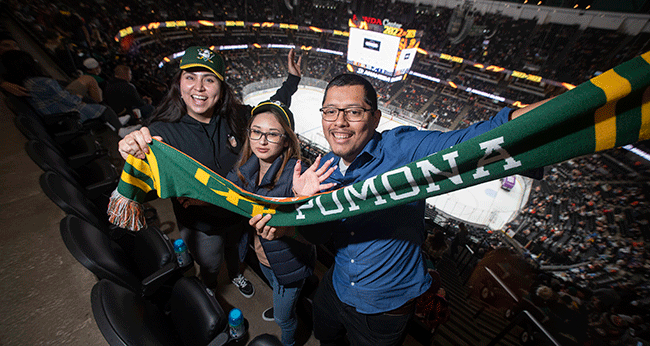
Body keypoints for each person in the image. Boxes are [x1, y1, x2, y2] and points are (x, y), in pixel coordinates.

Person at [249, 73, 550, 345]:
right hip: (337, 285)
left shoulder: (404, 149)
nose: (338, 122)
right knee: (324, 335)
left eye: (353, 112)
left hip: (386, 307)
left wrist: (571, 108)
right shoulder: (324, 166)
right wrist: (305, 203)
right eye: (330, 111)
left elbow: (475, 140)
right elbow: (318, 235)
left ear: (376, 117)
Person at [117, 46, 303, 298]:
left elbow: (273, 110)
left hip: (238, 214)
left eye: (209, 79)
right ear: (179, 84)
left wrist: (292, 80)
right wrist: (132, 149)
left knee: (236, 251)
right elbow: (147, 178)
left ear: (221, 87)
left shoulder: (238, 116)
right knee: (211, 263)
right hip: (201, 225)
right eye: (190, 77)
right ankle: (210, 287)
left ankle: (236, 274)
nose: (199, 88)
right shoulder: (162, 131)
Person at [227, 101, 336, 346]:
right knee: (276, 289)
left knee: (284, 318)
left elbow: (318, 234)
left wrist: (301, 201)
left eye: (273, 134)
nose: (262, 141)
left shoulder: (298, 175)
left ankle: (286, 331)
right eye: (256, 131)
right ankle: (281, 303)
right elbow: (218, 188)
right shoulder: (247, 168)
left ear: (287, 140)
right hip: (264, 256)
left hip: (290, 265)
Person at [0, 50, 136, 137]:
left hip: (54, 113)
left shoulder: (23, 82)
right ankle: (119, 130)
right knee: (103, 108)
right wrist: (78, 97)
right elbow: (68, 101)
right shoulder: (42, 82)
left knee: (91, 101)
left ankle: (114, 122)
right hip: (64, 115)